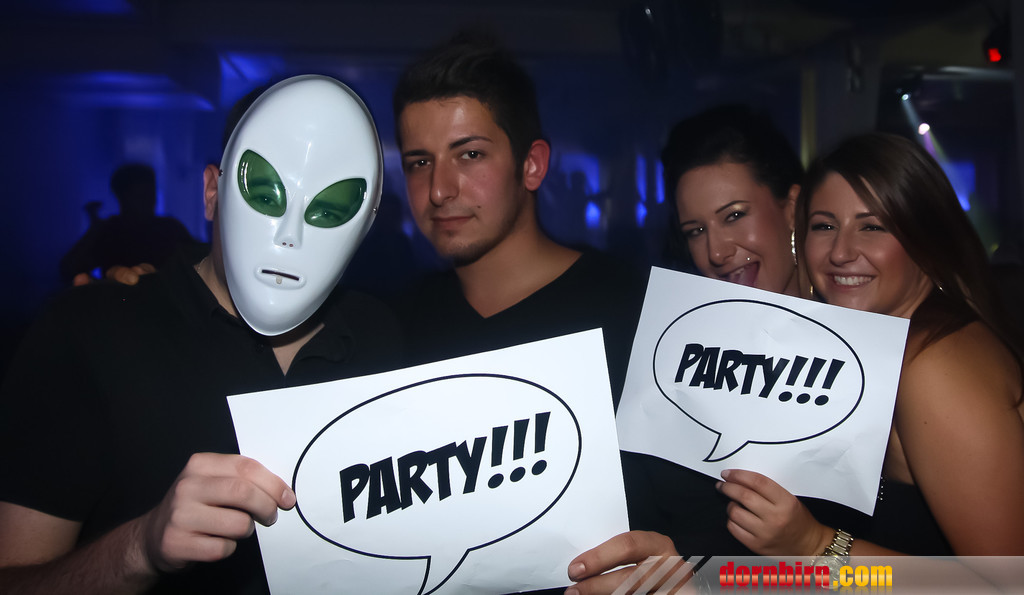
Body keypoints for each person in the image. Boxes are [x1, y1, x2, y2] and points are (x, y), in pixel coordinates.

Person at [0, 75, 401, 593]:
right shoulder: (86, 333)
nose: (290, 236)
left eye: (328, 210)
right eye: (264, 194)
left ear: (365, 224)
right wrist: (140, 548)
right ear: (213, 192)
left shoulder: (385, 338)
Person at [714, 132, 1024, 558]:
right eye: (824, 226)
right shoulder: (881, 351)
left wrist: (816, 546)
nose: (841, 252)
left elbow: (1009, 583)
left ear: (924, 238)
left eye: (872, 226)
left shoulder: (935, 367)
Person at [390, 34, 647, 404]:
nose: (438, 190)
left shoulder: (628, 307)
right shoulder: (396, 328)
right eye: (420, 162)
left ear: (532, 166)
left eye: (470, 155)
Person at [662, 105, 806, 297]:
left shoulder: (845, 305)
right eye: (696, 231)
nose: (716, 253)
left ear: (792, 208)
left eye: (734, 216)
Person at [59, 163, 198, 286]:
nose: (149, 201)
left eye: (151, 194)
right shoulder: (109, 231)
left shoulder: (170, 228)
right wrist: (94, 230)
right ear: (122, 197)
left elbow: (198, 259)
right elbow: (69, 270)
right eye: (140, 195)